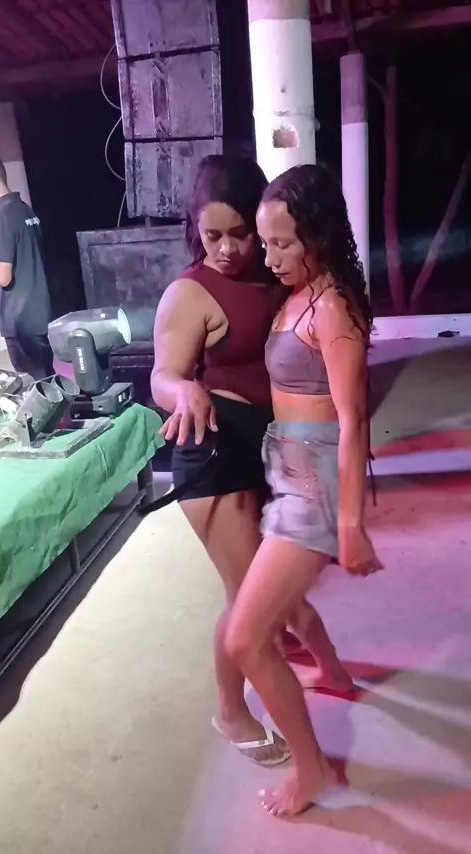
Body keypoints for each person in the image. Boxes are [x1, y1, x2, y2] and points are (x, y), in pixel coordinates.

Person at [151, 155, 353, 767]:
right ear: (195, 228)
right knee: (246, 598)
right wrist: (182, 389)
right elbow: (163, 374)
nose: (226, 249)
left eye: (239, 233)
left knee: (276, 588)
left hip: (274, 451)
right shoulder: (189, 292)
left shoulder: (275, 269)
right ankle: (230, 710)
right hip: (213, 452)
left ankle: (315, 659)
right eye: (211, 234)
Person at [225, 163, 383, 816]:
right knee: (283, 606)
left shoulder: (334, 306)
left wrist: (349, 523)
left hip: (314, 487)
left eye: (282, 243)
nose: (270, 256)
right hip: (286, 469)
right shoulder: (298, 295)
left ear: (316, 235)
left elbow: (354, 422)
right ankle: (336, 673)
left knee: (244, 640)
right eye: (266, 243)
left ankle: (312, 769)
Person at [0, 156, 53, 379]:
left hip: (20, 321)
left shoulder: (2, 214)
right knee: (47, 381)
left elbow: (2, 275)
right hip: (38, 314)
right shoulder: (24, 209)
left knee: (34, 388)